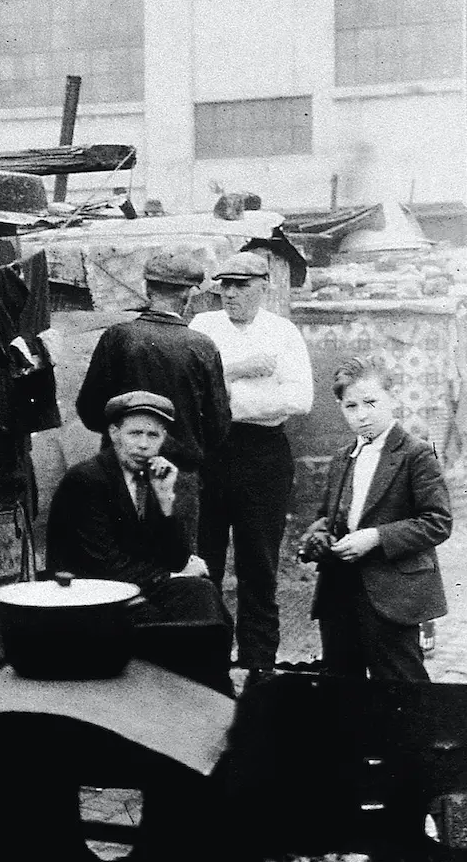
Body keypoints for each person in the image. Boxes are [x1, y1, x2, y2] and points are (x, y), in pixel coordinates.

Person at [190, 251, 314, 678]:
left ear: (265, 285)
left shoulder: (283, 332)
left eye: (242, 285)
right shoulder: (202, 328)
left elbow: (300, 399)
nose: (231, 294)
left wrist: (224, 392)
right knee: (203, 559)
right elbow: (193, 391)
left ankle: (258, 662)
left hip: (263, 455)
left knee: (257, 563)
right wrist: (244, 370)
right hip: (209, 454)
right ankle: (205, 658)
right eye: (225, 285)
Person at [297, 356, 451, 681]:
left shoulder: (416, 454)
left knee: (400, 685)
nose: (362, 414)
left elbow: (437, 520)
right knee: (342, 685)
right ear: (340, 407)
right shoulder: (343, 456)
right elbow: (331, 516)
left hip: (393, 591)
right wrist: (320, 535)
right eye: (351, 406)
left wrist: (377, 536)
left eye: (370, 402)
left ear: (391, 398)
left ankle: (412, 734)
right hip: (340, 589)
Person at [76, 250, 231, 539]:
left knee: (119, 570)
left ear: (147, 289)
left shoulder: (117, 337)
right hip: (177, 477)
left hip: (117, 475)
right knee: (176, 567)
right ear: (187, 296)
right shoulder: (202, 347)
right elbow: (218, 427)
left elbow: (89, 410)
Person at [46, 391, 230, 630]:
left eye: (153, 435)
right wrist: (172, 577)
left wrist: (165, 499)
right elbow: (101, 563)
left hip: (132, 587)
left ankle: (209, 666)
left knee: (201, 594)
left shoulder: (150, 478)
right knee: (171, 623)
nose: (143, 445)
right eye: (135, 433)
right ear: (114, 434)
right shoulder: (87, 480)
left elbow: (176, 559)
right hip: (87, 594)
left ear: (163, 438)